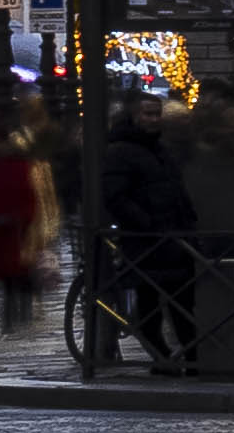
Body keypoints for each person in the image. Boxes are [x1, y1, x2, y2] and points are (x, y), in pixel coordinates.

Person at [85, 83, 203, 373]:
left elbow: (175, 190)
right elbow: (115, 196)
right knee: (152, 306)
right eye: (147, 114)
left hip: (173, 241)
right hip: (148, 242)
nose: (153, 119)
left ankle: (188, 360)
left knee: (182, 306)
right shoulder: (123, 151)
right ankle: (166, 357)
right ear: (134, 116)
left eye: (156, 114)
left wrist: (187, 221)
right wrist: (146, 224)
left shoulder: (159, 149)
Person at [0, 82, 59, 339]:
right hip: (14, 206)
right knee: (12, 262)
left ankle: (0, 313)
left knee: (1, 263)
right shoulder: (22, 143)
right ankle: (13, 313)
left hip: (3, 206)